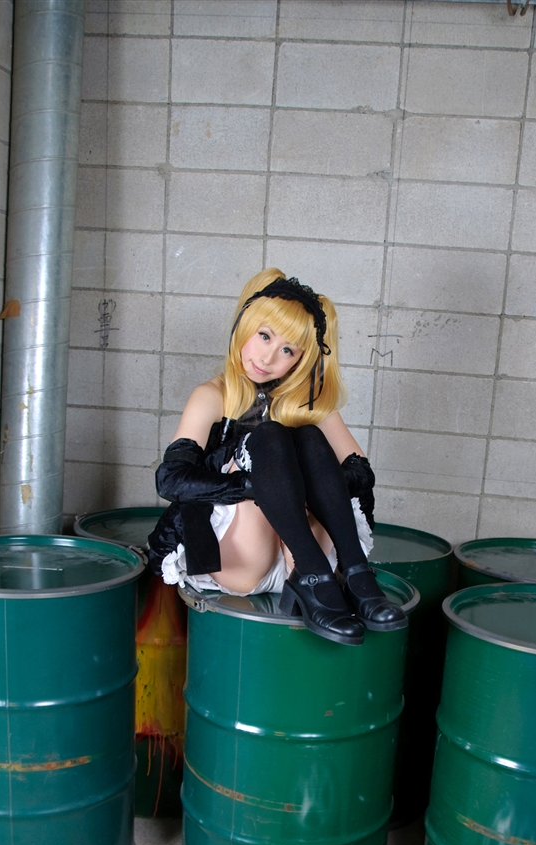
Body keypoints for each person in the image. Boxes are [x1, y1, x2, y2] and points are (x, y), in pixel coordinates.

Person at [147, 269, 406, 646]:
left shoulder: (305, 401)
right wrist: (260, 484)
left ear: (301, 359)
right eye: (264, 336)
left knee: (308, 437)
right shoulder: (213, 396)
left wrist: (301, 482)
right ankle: (317, 574)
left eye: (287, 350)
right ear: (244, 326)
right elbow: (170, 479)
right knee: (269, 437)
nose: (268, 358)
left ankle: (353, 573)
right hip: (241, 563)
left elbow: (360, 473)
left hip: (302, 560)